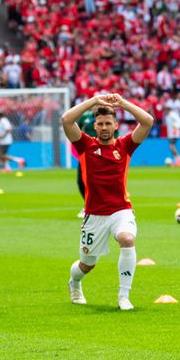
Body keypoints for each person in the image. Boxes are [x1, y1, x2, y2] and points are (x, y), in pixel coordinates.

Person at [62, 94, 154, 310]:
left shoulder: (125, 146)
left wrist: (122, 103)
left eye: (108, 123)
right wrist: (94, 100)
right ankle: (74, 283)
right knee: (86, 265)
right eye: (100, 123)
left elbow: (147, 121)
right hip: (94, 215)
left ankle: (124, 297)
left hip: (121, 211)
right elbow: (67, 119)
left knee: (127, 238)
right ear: (94, 125)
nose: (104, 127)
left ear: (115, 126)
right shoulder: (85, 145)